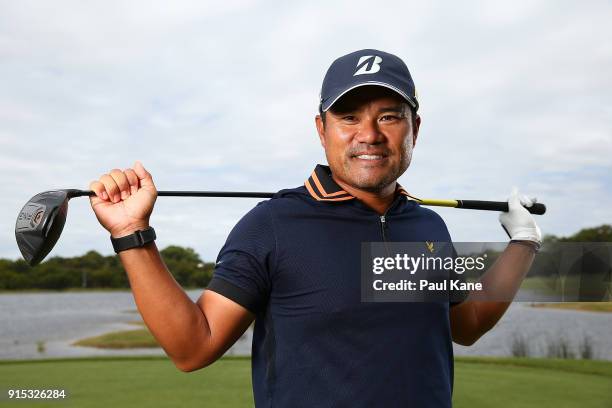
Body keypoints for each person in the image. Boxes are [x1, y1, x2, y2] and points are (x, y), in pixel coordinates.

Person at [89, 49, 542, 407]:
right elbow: (194, 347)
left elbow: (467, 324)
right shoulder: (272, 225)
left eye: (389, 115)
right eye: (349, 117)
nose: (369, 133)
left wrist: (522, 244)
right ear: (321, 129)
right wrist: (132, 234)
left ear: (414, 128)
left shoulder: (427, 225)